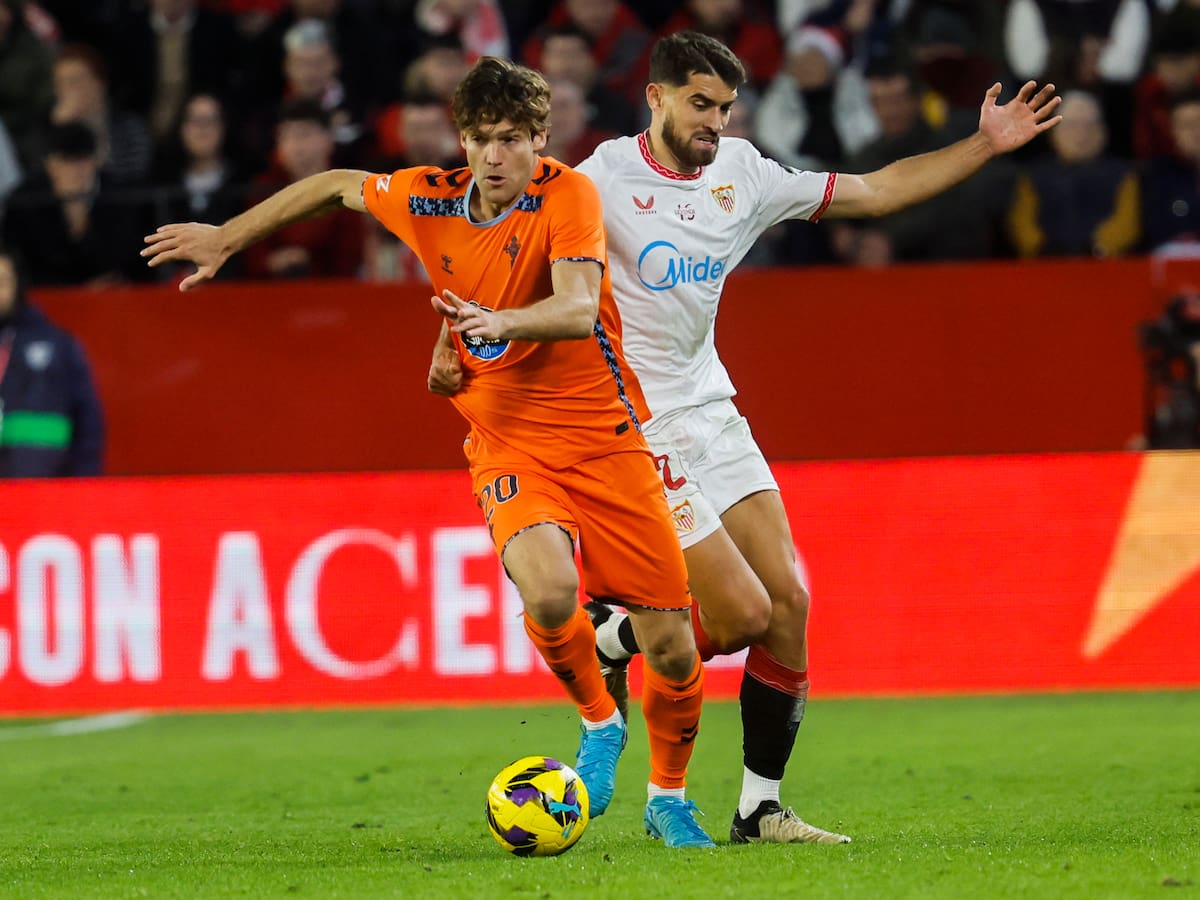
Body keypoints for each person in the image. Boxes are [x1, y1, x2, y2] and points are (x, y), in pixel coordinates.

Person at [433, 31, 1061, 845]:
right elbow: (503, 260)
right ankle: (615, 641)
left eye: (726, 108)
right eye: (700, 105)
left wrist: (985, 143)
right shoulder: (595, 182)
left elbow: (874, 191)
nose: (715, 123)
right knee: (735, 618)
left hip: (712, 410)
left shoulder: (744, 172)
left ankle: (757, 807)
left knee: (789, 606)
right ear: (656, 97)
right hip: (637, 424)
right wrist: (458, 348)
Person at [141, 55, 716, 849]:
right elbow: (336, 183)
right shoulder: (429, 197)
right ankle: (600, 720)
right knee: (550, 594)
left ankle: (669, 798)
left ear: (540, 138)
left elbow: (579, 308)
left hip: (605, 440)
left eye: (511, 139)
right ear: (462, 140)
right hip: (507, 441)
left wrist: (494, 324)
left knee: (674, 648)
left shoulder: (568, 196)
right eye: (480, 139)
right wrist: (227, 239)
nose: (494, 156)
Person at [0, 243, 104, 478]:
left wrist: (85, 483)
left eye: (2, 281)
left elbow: (87, 418)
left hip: (42, 486)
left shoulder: (57, 344)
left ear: (18, 284)